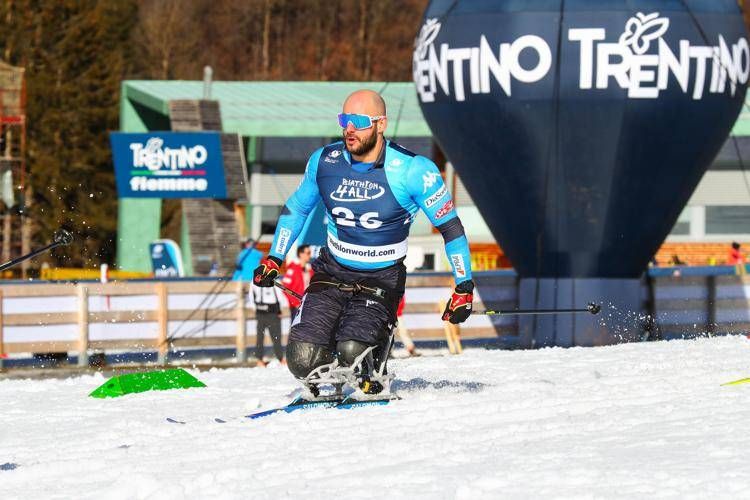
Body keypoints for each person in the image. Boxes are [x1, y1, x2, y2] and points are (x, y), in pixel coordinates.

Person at [253, 89, 474, 398]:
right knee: (302, 360)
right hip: (332, 270)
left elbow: (451, 229)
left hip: (381, 276)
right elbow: (297, 208)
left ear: (381, 124)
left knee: (353, 352)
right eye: (345, 120)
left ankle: (370, 364)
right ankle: (331, 369)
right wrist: (275, 257)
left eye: (358, 121)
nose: (349, 129)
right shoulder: (325, 161)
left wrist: (464, 288)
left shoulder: (413, 171)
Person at [251, 283, 285, 367]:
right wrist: (255, 309)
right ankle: (260, 359)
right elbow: (251, 296)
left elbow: (280, 297)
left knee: (276, 336)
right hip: (261, 312)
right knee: (261, 337)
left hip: (272, 312)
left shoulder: (275, 280)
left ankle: (280, 358)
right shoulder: (255, 280)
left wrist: (280, 310)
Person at [281, 244, 313, 320]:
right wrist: (295, 303)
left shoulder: (310, 270)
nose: (310, 255)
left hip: (308, 305)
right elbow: (284, 288)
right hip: (297, 306)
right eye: (308, 253)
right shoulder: (292, 269)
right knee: (296, 330)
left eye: (310, 253)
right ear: (301, 254)